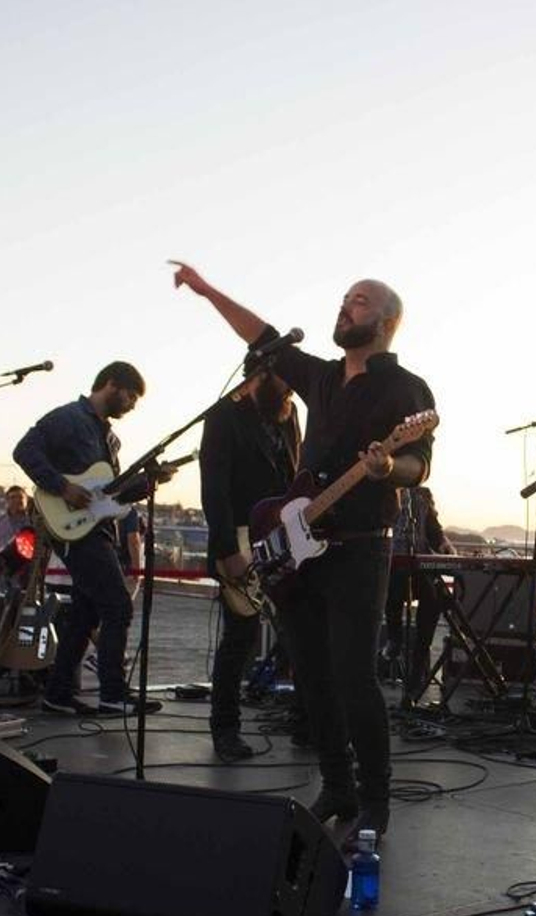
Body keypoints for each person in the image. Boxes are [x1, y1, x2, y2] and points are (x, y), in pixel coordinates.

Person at [172, 262, 435, 837]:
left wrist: (388, 466)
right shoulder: (320, 377)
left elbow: (419, 465)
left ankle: (376, 798)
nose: (345, 306)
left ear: (386, 322)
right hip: (300, 549)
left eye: (359, 301)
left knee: (353, 675)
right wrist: (206, 288)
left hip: (360, 548)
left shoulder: (405, 388)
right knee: (312, 676)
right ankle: (337, 788)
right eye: (344, 298)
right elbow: (260, 336)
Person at [13, 361, 166, 716]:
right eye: (131, 396)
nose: (132, 405)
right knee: (117, 606)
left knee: (84, 615)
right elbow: (24, 450)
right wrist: (62, 486)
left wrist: (146, 484)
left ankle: (58, 692)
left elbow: (107, 495)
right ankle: (112, 693)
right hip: (75, 531)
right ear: (111, 384)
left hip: (98, 529)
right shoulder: (68, 418)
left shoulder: (111, 439)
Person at [200, 366, 303, 763]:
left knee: (302, 634)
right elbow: (215, 490)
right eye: (285, 381)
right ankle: (225, 729)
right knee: (239, 638)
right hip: (240, 539)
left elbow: (296, 472)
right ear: (261, 374)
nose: (291, 391)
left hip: (285, 539)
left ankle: (307, 723)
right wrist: (229, 551)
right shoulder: (223, 415)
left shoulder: (288, 411)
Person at [385, 485, 455, 694]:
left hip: (418, 567)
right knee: (395, 585)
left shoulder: (422, 496)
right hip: (387, 567)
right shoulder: (386, 492)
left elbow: (435, 531)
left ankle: (418, 664)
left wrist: (444, 544)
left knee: (433, 598)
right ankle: (394, 637)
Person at [0, 486, 36, 592]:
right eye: (13, 497)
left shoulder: (35, 524)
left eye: (20, 497)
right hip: (3, 576)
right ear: (7, 500)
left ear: (26, 500)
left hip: (29, 575)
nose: (17, 500)